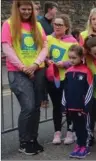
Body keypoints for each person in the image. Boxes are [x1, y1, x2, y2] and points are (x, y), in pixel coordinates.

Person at [1, 1, 48, 155]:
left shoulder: (37, 25)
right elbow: (7, 48)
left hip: (37, 70)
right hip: (18, 72)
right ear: (17, 8)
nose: (27, 12)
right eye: (24, 9)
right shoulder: (9, 24)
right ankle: (24, 142)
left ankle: (33, 139)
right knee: (28, 106)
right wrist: (23, 67)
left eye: (29, 9)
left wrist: (35, 64)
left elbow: (44, 46)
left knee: (35, 107)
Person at [46, 14, 77, 145]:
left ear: (66, 27)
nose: (57, 26)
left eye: (60, 25)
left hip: (68, 78)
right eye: (55, 24)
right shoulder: (47, 39)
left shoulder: (73, 41)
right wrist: (48, 61)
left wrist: (65, 64)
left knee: (69, 106)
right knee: (57, 106)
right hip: (53, 78)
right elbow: (43, 55)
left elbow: (76, 59)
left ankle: (70, 131)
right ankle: (57, 132)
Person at [62, 45, 93, 159]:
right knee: (77, 127)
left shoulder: (86, 71)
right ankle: (79, 145)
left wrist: (86, 107)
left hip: (83, 108)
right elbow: (65, 90)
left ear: (81, 57)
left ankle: (86, 146)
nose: (71, 60)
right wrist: (64, 105)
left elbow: (90, 90)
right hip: (71, 107)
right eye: (70, 57)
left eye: (74, 57)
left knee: (85, 127)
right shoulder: (68, 72)